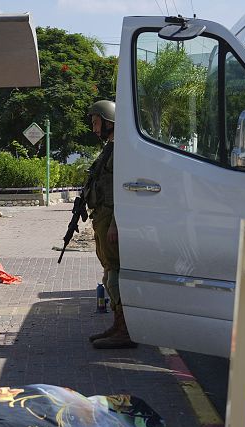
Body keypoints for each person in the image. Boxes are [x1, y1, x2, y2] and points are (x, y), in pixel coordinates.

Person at [84, 100, 137, 349]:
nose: (94, 129)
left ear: (108, 122)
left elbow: (122, 191)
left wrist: (116, 224)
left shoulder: (120, 151)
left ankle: (125, 329)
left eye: (96, 123)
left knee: (114, 272)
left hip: (111, 218)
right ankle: (119, 324)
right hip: (102, 217)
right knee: (108, 271)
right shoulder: (111, 149)